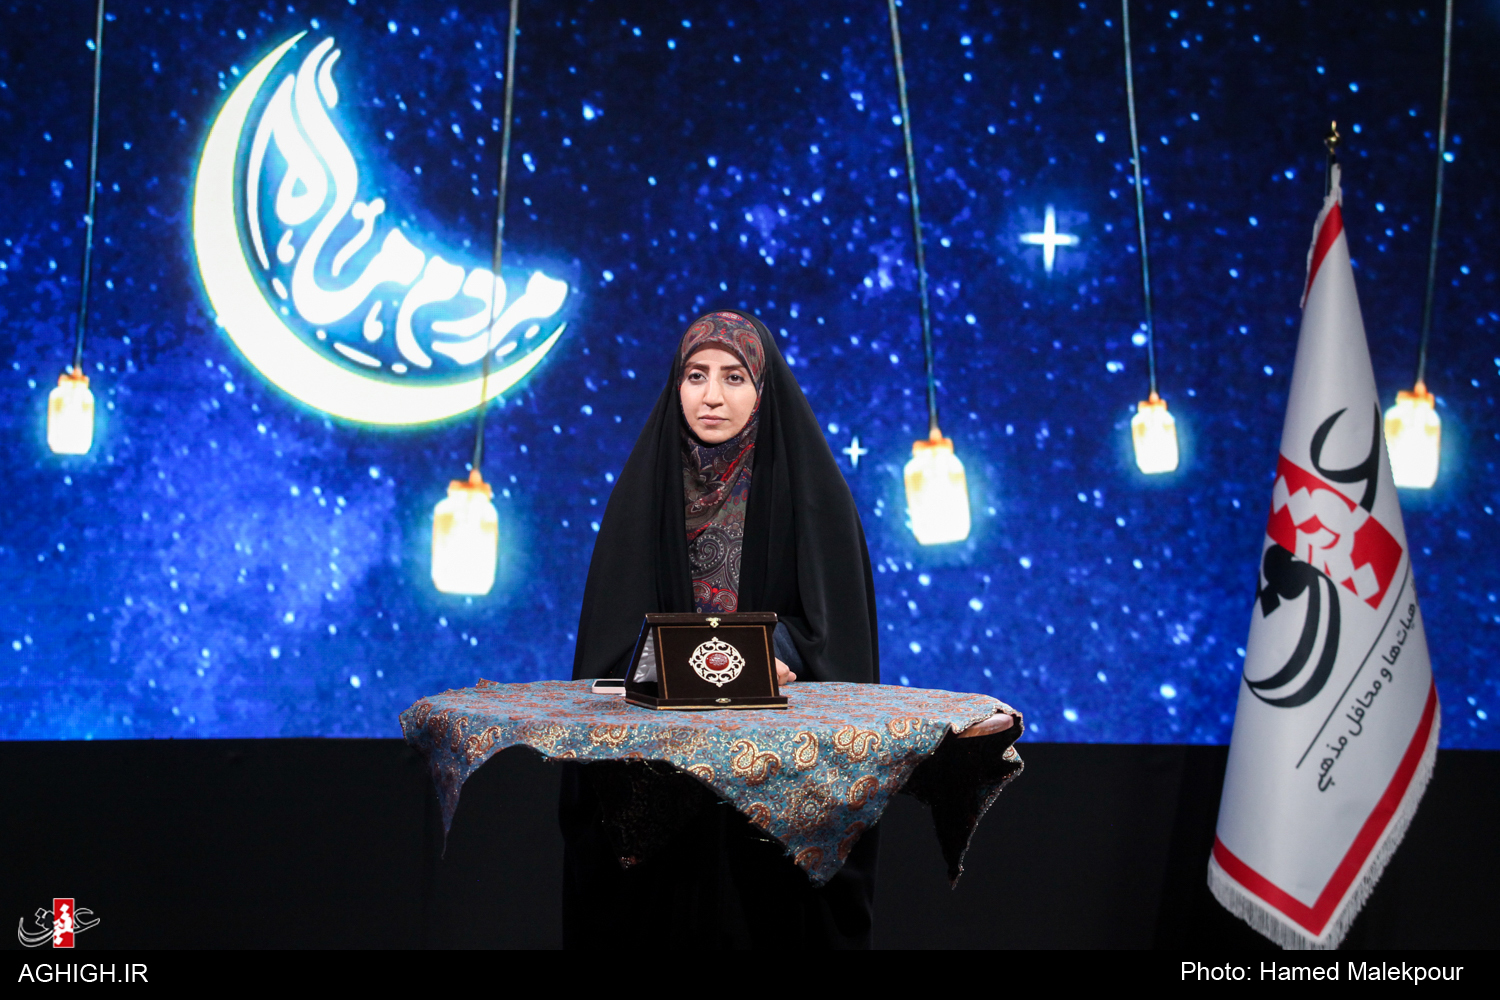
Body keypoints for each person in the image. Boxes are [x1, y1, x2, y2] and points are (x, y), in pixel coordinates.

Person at [563, 310, 1011, 949]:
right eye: (695, 375)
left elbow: (838, 636)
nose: (711, 396)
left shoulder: (813, 492)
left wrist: (765, 654)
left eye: (734, 377)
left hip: (775, 776)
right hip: (664, 771)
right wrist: (672, 665)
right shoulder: (644, 492)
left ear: (762, 388)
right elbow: (609, 642)